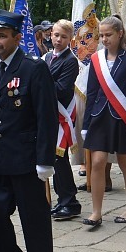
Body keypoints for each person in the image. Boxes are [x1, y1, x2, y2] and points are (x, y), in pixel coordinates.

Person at [0, 8, 58, 252]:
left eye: (2, 35)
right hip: (0, 157)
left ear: (16, 37)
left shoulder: (33, 68)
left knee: (33, 218)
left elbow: (46, 116)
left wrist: (45, 159)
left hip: (26, 159)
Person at [81, 15, 126, 226]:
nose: (105, 39)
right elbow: (92, 93)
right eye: (102, 35)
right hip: (100, 118)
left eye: (109, 35)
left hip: (123, 119)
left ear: (120, 33)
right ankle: (96, 212)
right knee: (97, 162)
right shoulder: (96, 59)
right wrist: (86, 124)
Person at [44, 19, 82, 220]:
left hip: (62, 116)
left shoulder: (70, 61)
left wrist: (39, 86)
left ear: (70, 39)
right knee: (54, 159)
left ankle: (70, 201)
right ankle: (62, 200)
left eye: (64, 37)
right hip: (49, 114)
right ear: (51, 34)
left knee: (60, 159)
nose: (58, 39)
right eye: (56, 35)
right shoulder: (48, 56)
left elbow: (62, 88)